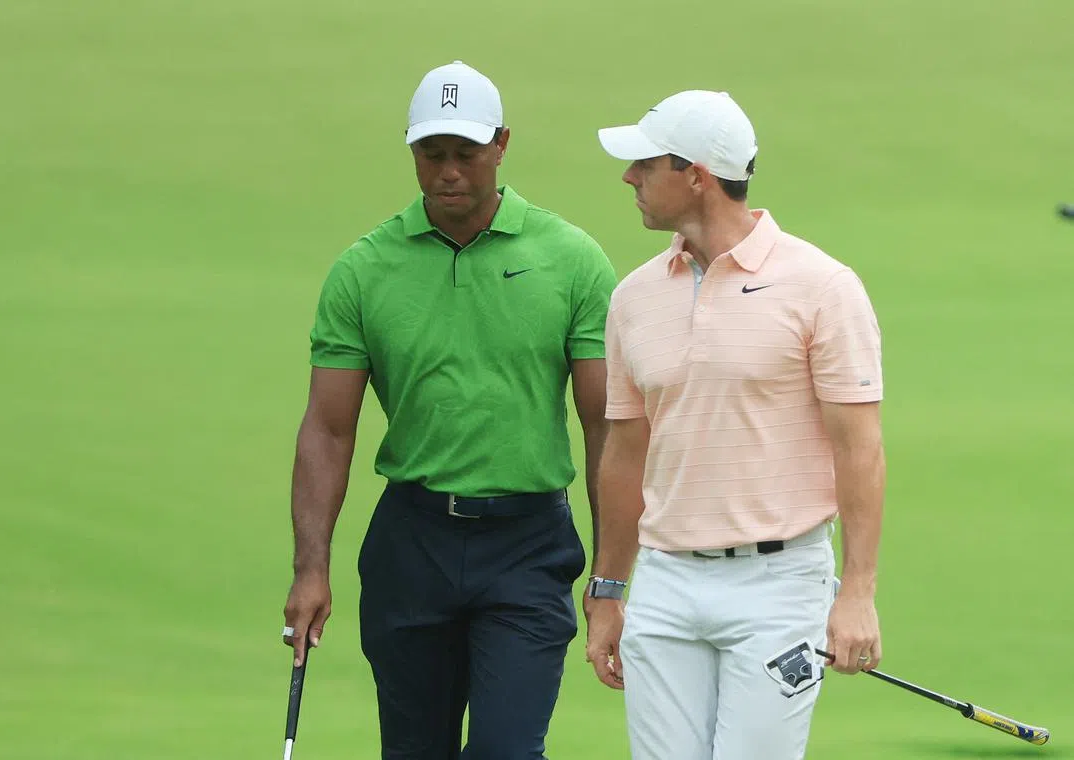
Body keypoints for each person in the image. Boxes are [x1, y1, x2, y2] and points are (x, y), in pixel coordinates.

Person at [281, 60, 617, 759]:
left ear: (501, 144)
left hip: (528, 544)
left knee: (505, 751)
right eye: (432, 155)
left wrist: (609, 573)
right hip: (413, 541)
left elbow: (604, 427)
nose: (449, 172)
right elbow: (328, 427)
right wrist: (310, 567)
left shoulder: (571, 260)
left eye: (466, 153)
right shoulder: (364, 270)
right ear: (411, 150)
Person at [582, 90, 886, 760]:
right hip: (665, 582)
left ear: (696, 174)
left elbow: (858, 449)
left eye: (645, 163)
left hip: (778, 586)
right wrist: (608, 588)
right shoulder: (633, 297)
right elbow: (626, 452)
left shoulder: (823, 288)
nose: (628, 177)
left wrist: (857, 594)